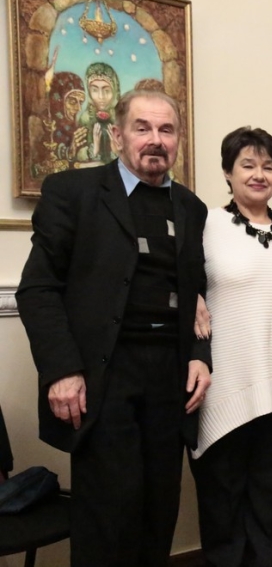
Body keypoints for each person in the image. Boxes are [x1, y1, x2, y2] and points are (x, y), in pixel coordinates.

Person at [16, 89, 211, 566]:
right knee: (108, 516)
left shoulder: (192, 207)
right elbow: (38, 288)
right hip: (102, 378)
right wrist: (62, 371)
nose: (155, 139)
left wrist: (200, 357)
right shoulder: (73, 192)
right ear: (119, 135)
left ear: (179, 140)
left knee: (158, 511)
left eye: (166, 130)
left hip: (169, 381)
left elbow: (198, 293)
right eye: (142, 128)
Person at [189, 126, 272, 567]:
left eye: (269, 166)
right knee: (222, 500)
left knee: (269, 499)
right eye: (248, 165)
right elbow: (183, 283)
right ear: (228, 172)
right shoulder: (207, 224)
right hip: (226, 384)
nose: (259, 174)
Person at [78, 62, 120, 163]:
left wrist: (115, 150)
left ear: (114, 91)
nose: (101, 97)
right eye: (95, 90)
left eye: (107, 91)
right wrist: (95, 149)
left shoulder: (121, 119)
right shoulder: (85, 119)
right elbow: (78, 156)